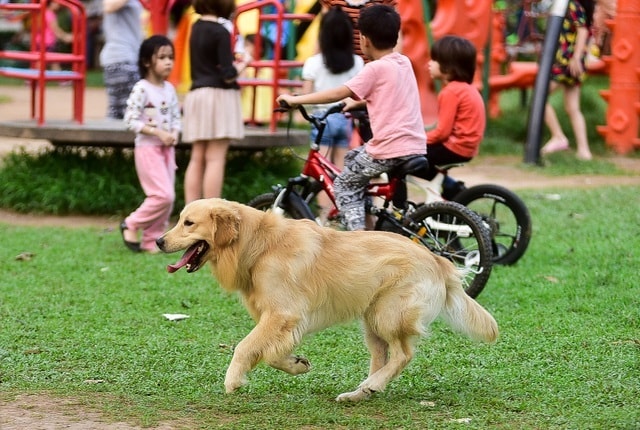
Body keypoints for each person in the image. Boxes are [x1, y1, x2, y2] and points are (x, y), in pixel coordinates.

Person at [277, 4, 425, 231]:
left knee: (344, 185)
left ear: (364, 39)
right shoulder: (402, 62)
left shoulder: (374, 69)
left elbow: (339, 92)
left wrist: (297, 100)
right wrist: (356, 102)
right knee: (352, 159)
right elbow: (388, 95)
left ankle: (357, 239)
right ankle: (366, 212)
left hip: (388, 147)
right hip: (413, 144)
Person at [300, 6, 364, 223]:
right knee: (340, 170)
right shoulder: (357, 62)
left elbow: (306, 94)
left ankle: (324, 217)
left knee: (321, 172)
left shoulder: (314, 63)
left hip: (322, 120)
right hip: (345, 119)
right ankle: (343, 212)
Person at [181, 0, 248, 203]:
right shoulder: (220, 31)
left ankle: (190, 211)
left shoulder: (196, 26)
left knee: (197, 156)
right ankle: (210, 212)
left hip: (197, 94)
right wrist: (244, 63)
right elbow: (228, 74)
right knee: (216, 157)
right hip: (219, 97)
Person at [121, 35, 181, 253]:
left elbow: (175, 118)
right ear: (147, 62)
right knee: (162, 195)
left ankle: (151, 240)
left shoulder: (169, 89)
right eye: (162, 57)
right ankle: (132, 223)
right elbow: (130, 119)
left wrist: (173, 133)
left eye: (171, 57)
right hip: (148, 149)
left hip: (167, 150)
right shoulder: (142, 89)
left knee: (169, 198)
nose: (168, 62)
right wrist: (157, 132)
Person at [421, 35, 485, 181]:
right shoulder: (467, 88)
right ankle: (451, 190)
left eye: (434, 60)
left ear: (448, 67)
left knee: (402, 158)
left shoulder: (451, 92)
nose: (429, 64)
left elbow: (442, 133)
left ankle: (399, 203)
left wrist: (417, 140)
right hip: (468, 149)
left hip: (454, 148)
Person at [540, 0, 595, 161]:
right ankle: (584, 151)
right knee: (573, 108)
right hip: (572, 61)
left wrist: (576, 57)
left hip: (566, 61)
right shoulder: (570, 5)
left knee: (540, 97)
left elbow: (582, 30)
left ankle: (558, 136)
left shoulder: (571, 4)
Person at [99, 0, 143, 120]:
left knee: (116, 111)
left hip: (122, 58)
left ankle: (107, 137)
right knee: (132, 113)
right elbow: (109, 6)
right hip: (122, 58)